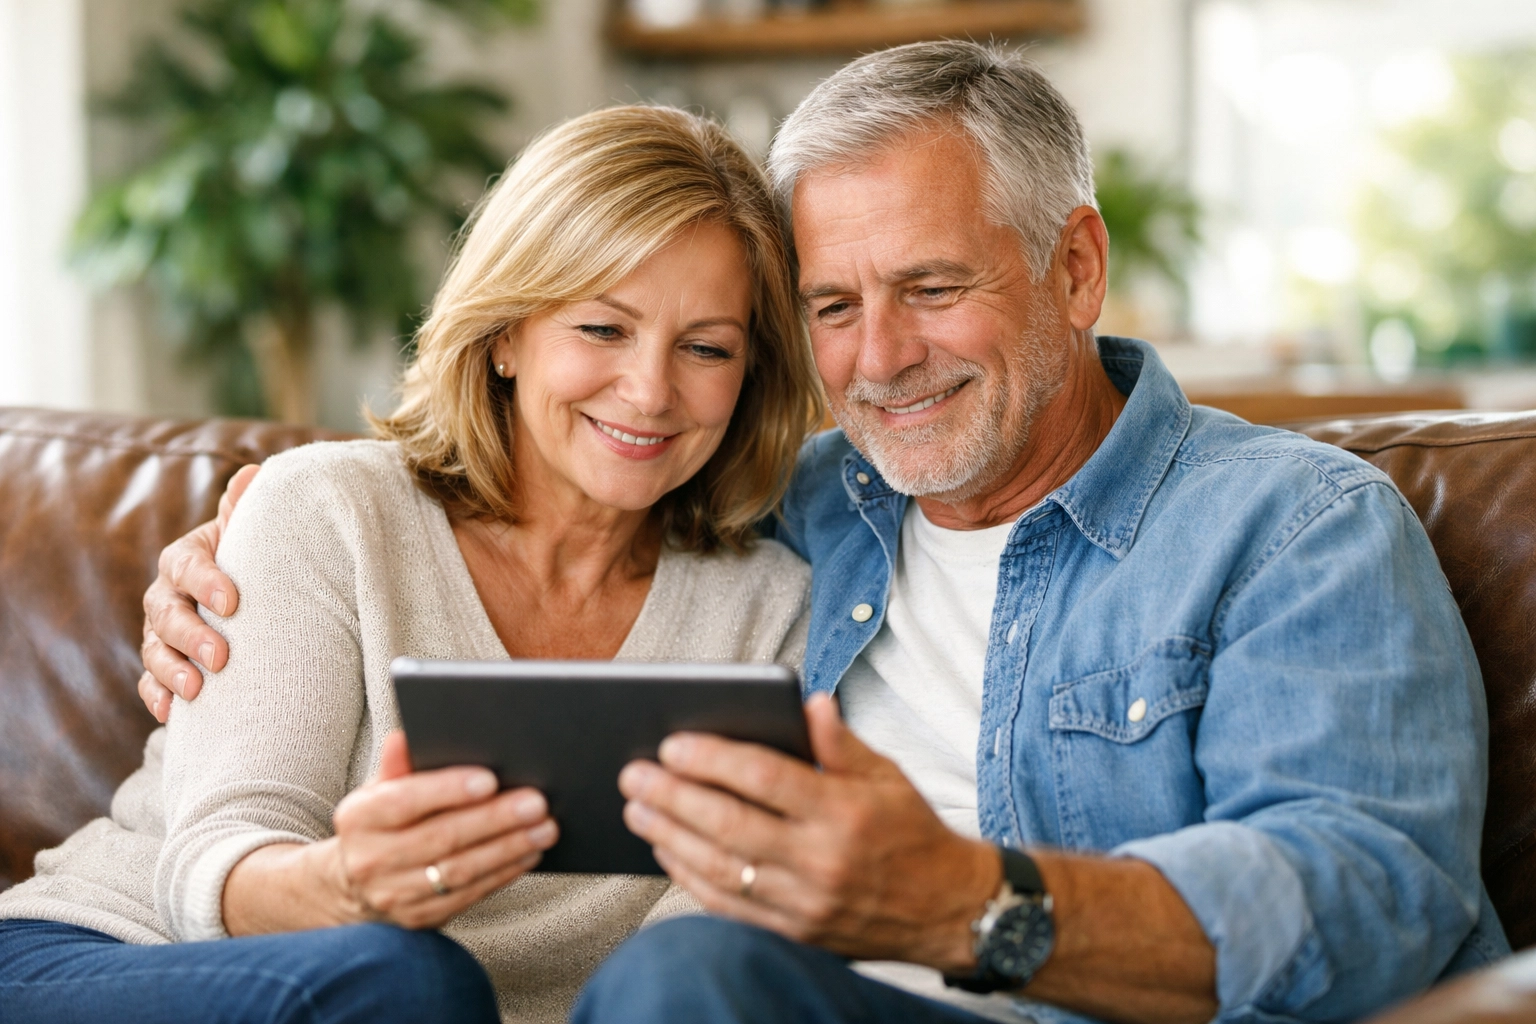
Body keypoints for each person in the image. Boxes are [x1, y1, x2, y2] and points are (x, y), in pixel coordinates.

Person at [136, 42, 1508, 1024]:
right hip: (789, 1000)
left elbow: (1368, 896)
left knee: (682, 978)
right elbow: (538, 469)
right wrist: (234, 531)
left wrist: (961, 903)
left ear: (1073, 267)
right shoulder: (796, 507)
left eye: (931, 286)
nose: (883, 358)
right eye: (833, 306)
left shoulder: (1294, 527)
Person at [0, 105, 821, 1024]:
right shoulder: (330, 512)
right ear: (507, 334)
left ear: (751, 376)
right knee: (407, 978)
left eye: (707, 348)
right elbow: (213, 861)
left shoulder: (771, 611)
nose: (650, 390)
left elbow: (686, 955)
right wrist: (348, 885)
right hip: (117, 955)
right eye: (602, 329)